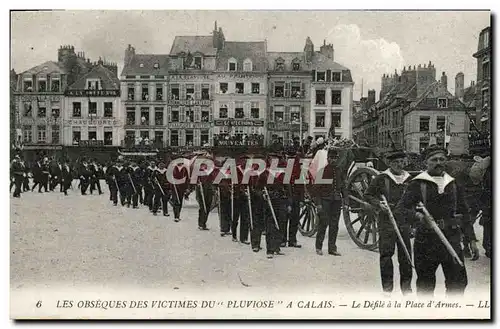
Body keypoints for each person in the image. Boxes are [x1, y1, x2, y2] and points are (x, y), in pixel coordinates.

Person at [394, 145, 479, 297]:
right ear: (426, 163)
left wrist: (471, 239)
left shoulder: (453, 183)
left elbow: (465, 213)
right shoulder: (417, 184)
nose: (438, 162)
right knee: (425, 286)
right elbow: (401, 209)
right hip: (425, 241)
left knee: (458, 283)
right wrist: (418, 217)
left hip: (451, 238)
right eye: (434, 160)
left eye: (441, 159)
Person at [365, 148, 413, 295]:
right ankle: (387, 288)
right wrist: (379, 204)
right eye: (396, 162)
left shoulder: (409, 179)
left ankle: (406, 288)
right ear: (390, 164)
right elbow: (368, 195)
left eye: (401, 162)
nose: (399, 165)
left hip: (403, 221)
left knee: (405, 255)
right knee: (386, 255)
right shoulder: (381, 178)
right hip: (386, 221)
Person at [311, 148, 343, 256]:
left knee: (334, 225)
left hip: (337, 201)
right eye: (331, 158)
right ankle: (319, 247)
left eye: (335, 158)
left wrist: (346, 202)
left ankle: (332, 248)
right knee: (323, 223)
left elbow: (344, 187)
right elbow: (316, 191)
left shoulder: (339, 171)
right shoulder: (322, 171)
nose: (333, 160)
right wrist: (318, 204)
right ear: (328, 158)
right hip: (325, 201)